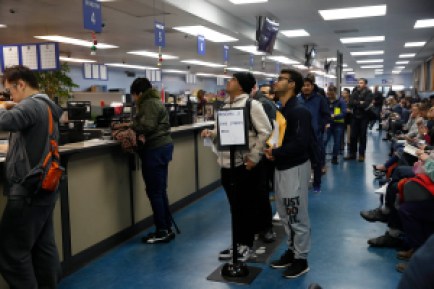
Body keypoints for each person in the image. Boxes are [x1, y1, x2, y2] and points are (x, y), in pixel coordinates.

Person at [0, 65, 63, 289]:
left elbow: (4, 121)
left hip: (28, 191)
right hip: (44, 188)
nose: (10, 96)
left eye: (10, 91)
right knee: (42, 248)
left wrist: (1, 106)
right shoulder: (47, 106)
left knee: (11, 254)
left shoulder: (31, 105)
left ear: (21, 84)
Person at [201, 72, 272, 262]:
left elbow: (265, 132)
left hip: (244, 165)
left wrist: (254, 158)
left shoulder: (252, 105)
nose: (228, 82)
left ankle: (246, 245)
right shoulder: (226, 105)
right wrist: (212, 133)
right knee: (235, 207)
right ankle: (237, 243)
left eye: (232, 80)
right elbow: (224, 131)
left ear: (240, 86)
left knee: (244, 207)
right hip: (226, 164)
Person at [264, 69, 312, 278]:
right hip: (281, 166)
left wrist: (276, 152)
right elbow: (279, 138)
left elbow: (301, 144)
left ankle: (301, 259)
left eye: (281, 79)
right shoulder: (282, 109)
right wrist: (272, 150)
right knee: (284, 213)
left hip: (295, 168)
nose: (276, 82)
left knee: (296, 214)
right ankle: (292, 252)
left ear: (292, 84)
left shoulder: (299, 111)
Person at [130, 78, 175, 244]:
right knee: (160, 190)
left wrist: (131, 125)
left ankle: (162, 230)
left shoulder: (148, 103)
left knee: (155, 192)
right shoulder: (155, 101)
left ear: (139, 93)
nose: (134, 99)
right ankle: (166, 226)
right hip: (162, 148)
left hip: (155, 149)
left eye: (134, 95)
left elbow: (147, 126)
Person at [298, 77, 330, 192]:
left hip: (316, 136)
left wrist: (320, 127)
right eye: (303, 85)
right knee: (301, 161)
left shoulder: (320, 99)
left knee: (317, 161)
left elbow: (326, 115)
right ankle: (302, 183)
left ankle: (317, 184)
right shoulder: (297, 99)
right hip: (301, 136)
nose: (305, 87)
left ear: (312, 86)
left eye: (308, 85)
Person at [345, 78, 374, 162]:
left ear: (365, 84)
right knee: (353, 136)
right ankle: (352, 154)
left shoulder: (369, 93)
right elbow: (350, 103)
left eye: (361, 83)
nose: (359, 84)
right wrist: (359, 102)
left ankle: (361, 154)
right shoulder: (355, 92)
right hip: (354, 117)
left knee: (362, 136)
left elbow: (365, 105)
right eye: (359, 83)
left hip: (364, 117)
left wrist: (357, 102)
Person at [324, 85, 346, 164]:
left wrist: (334, 115)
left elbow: (343, 113)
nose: (330, 96)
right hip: (328, 124)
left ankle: (334, 157)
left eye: (331, 94)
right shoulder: (326, 100)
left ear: (335, 93)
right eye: (328, 94)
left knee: (336, 142)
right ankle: (322, 157)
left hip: (338, 124)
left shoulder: (341, 101)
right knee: (325, 141)